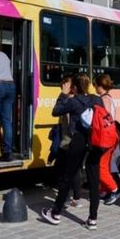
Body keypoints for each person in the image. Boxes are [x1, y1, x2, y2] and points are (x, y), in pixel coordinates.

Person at [41, 73, 103, 229]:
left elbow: (55, 111)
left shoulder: (73, 102)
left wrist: (63, 94)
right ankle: (93, 219)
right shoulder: (97, 99)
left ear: (74, 87)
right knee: (94, 180)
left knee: (67, 177)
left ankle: (55, 213)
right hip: (96, 142)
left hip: (79, 142)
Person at [47, 75, 83, 208]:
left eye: (65, 85)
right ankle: (77, 198)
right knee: (75, 170)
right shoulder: (81, 99)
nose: (63, 87)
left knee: (63, 171)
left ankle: (65, 198)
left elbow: (56, 112)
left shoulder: (69, 101)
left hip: (68, 142)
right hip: (77, 141)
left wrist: (62, 95)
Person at [94, 73, 120, 205]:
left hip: (105, 137)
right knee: (104, 165)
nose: (94, 87)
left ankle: (115, 189)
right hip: (111, 135)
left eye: (95, 84)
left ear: (99, 85)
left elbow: (102, 119)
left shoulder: (103, 100)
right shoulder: (108, 98)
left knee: (101, 167)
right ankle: (105, 190)